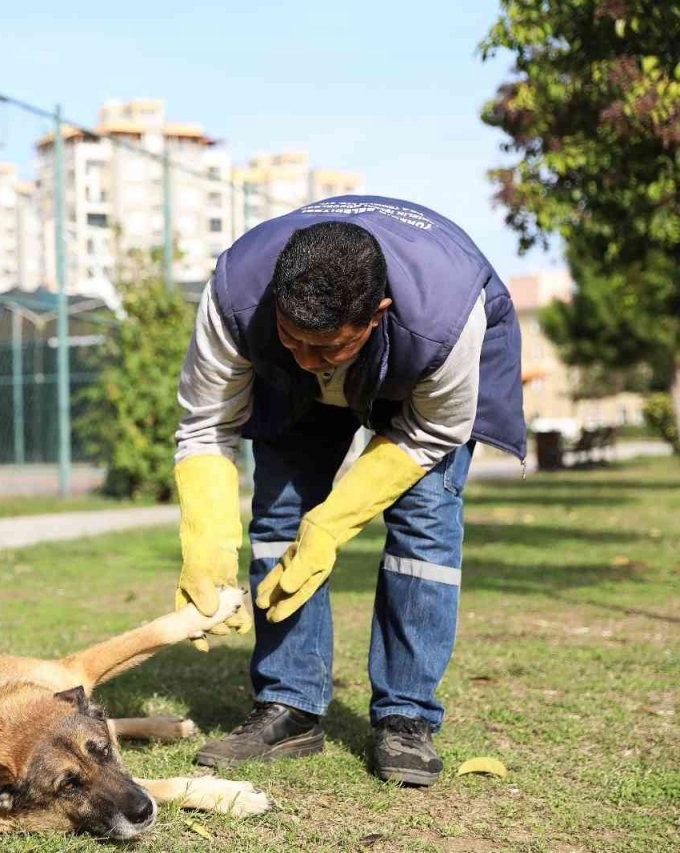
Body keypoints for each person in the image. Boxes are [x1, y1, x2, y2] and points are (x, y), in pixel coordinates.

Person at [173, 196, 524, 786]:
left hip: (417, 391)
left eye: (329, 347)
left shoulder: (445, 315)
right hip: (289, 388)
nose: (310, 361)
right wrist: (206, 540)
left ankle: (406, 716)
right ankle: (289, 706)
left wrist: (332, 523)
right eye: (293, 339)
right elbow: (207, 424)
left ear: (376, 314)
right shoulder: (235, 291)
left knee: (425, 524)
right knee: (280, 513)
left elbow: (433, 433)